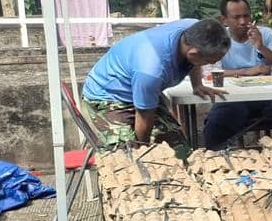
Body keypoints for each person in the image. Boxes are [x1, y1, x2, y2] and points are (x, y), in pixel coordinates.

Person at [82, 18, 230, 159]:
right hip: (109, 96)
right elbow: (145, 117)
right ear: (193, 53)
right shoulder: (152, 69)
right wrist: (144, 151)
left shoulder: (195, 28)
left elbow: (195, 61)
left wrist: (197, 85)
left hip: (143, 88)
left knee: (181, 153)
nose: (210, 64)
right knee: (130, 156)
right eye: (210, 61)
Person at [202, 0, 272, 150]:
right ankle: (215, 162)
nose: (243, 21)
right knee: (217, 120)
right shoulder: (218, 38)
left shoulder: (266, 34)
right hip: (235, 98)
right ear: (224, 20)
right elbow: (210, 72)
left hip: (270, 95)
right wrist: (246, 71)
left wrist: (261, 47)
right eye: (236, 17)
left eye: (246, 15)